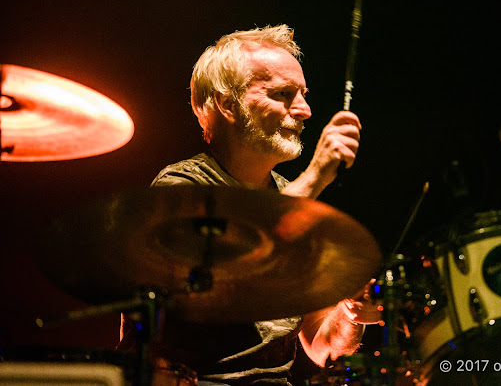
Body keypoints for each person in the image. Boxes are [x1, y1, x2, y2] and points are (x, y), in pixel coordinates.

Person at [119, 24, 381, 385]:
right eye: (284, 94)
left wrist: (350, 315)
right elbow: (223, 264)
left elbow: (320, 346)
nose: (304, 110)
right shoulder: (181, 187)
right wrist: (316, 175)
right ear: (228, 104)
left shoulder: (298, 199)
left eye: (303, 94)